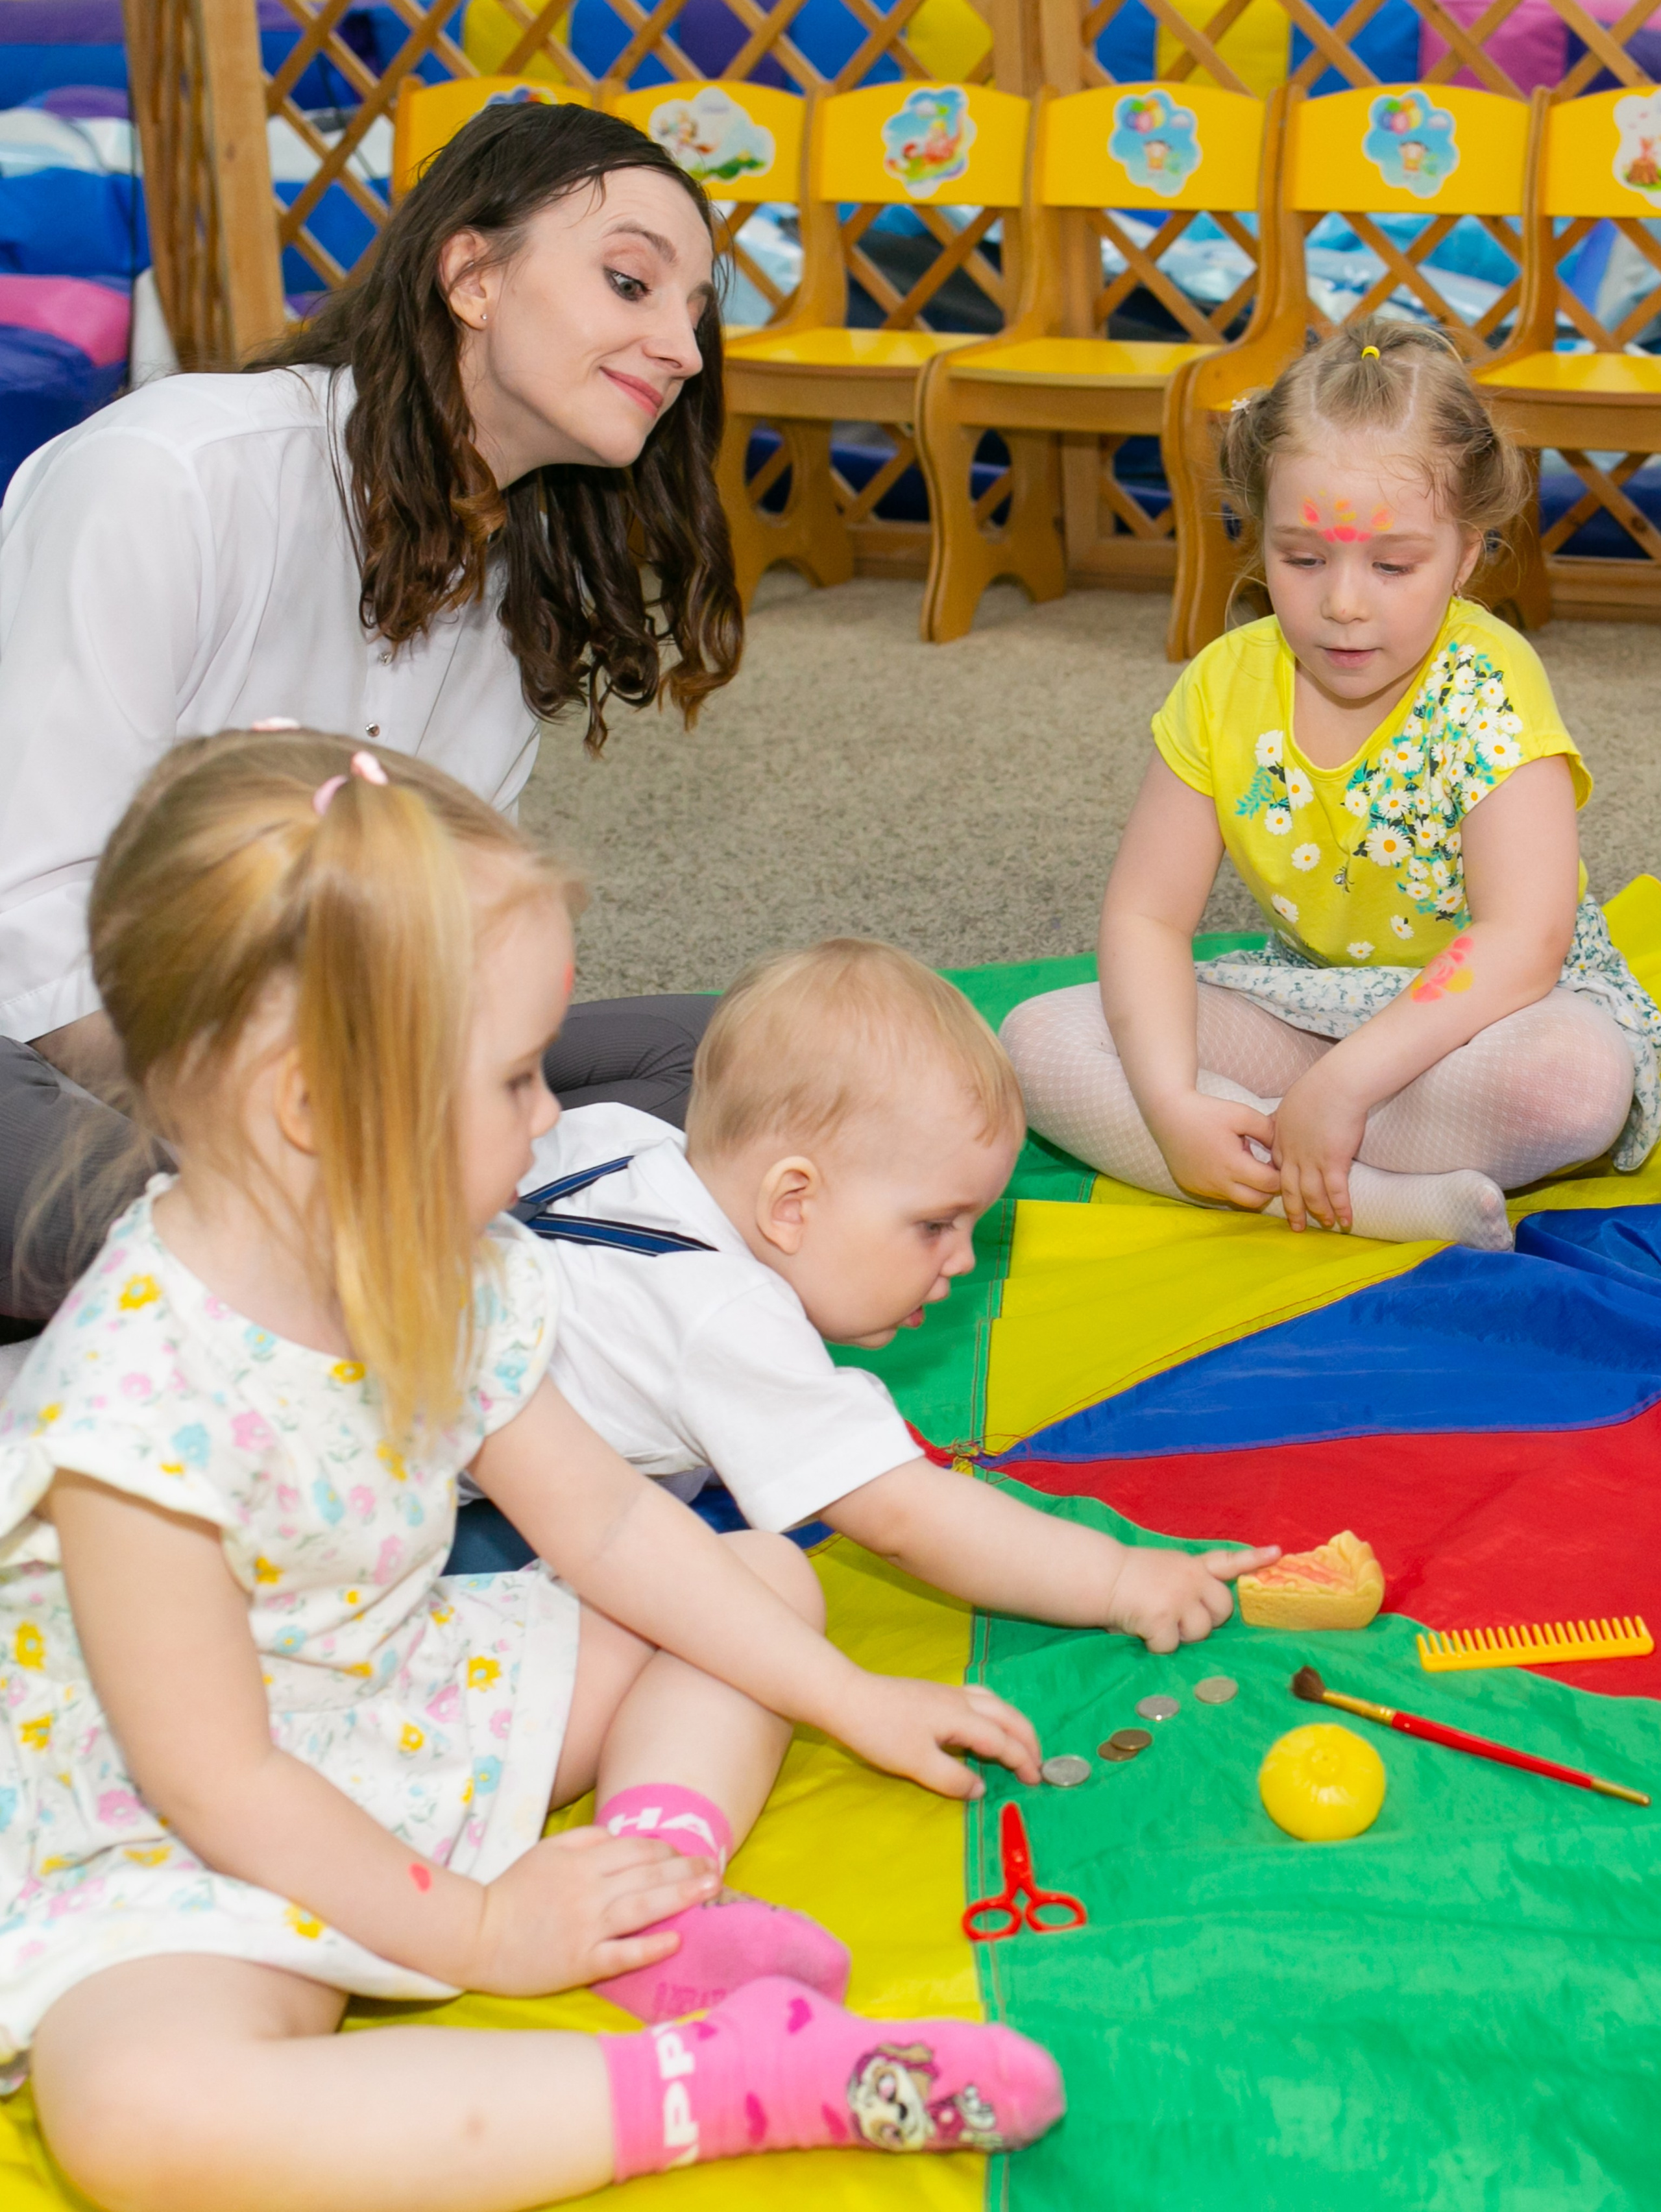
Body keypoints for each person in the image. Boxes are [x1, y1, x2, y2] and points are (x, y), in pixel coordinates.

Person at [0, 732, 1064, 2210]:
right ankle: (715, 2088)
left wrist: (853, 1699)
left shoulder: (458, 1264)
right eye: (513, 1079)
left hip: (404, 1699)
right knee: (136, 2114)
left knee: (753, 1576)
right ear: (318, 1109)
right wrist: (487, 1932)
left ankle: (654, 1888)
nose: (556, 1115)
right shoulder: (135, 1404)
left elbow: (614, 1522)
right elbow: (224, 1777)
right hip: (178, 1833)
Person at [0, 99, 743, 1321]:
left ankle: (347, 1268)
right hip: (63, 1053)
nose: (683, 350)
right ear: (472, 275)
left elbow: (436, 925)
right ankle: (363, 1271)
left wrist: (435, 1095)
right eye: (631, 284)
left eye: (697, 314)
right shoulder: (171, 476)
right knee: (79, 1213)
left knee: (761, 1071)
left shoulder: (520, 575)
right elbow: (30, 912)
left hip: (324, 1056)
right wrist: (260, 1122)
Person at [1000, 320, 1661, 1253]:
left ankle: (1301, 1146)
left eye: (1393, 565)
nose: (1345, 603)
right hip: (1310, 1007)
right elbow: (1146, 918)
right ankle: (1367, 1192)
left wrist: (1345, 1088)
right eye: (1304, 559)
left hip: (1490, 1021)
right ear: (1260, 535)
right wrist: (1172, 1101)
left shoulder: (1490, 681)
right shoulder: (1225, 685)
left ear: (1467, 554)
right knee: (1038, 1041)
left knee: (1576, 1083)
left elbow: (1523, 942)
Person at [484, 937, 1279, 1641]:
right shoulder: (729, 1321)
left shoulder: (625, 1135)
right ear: (790, 1203)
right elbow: (904, 1515)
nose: (962, 1261)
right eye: (935, 1225)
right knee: (732, 1609)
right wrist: (1119, 1580)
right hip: (419, 1507)